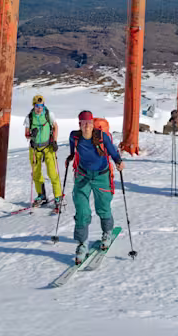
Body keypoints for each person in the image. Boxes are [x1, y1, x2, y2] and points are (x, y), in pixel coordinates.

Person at [66, 110, 124, 264]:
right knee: (82, 209)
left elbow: (112, 151)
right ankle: (82, 244)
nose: (87, 126)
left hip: (101, 176)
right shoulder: (74, 136)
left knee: (103, 206)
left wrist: (118, 161)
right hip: (83, 175)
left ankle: (107, 232)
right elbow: (73, 148)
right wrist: (71, 156)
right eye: (84, 123)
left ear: (92, 124)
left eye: (89, 123)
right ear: (80, 124)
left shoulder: (101, 137)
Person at [24, 94, 62, 207]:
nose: (39, 108)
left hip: (48, 147)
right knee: (36, 173)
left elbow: (55, 127)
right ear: (33, 106)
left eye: (41, 106)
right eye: (37, 106)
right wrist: (31, 135)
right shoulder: (29, 117)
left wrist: (54, 141)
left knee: (52, 172)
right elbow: (26, 135)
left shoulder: (48, 114)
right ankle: (41, 195)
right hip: (35, 149)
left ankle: (58, 196)